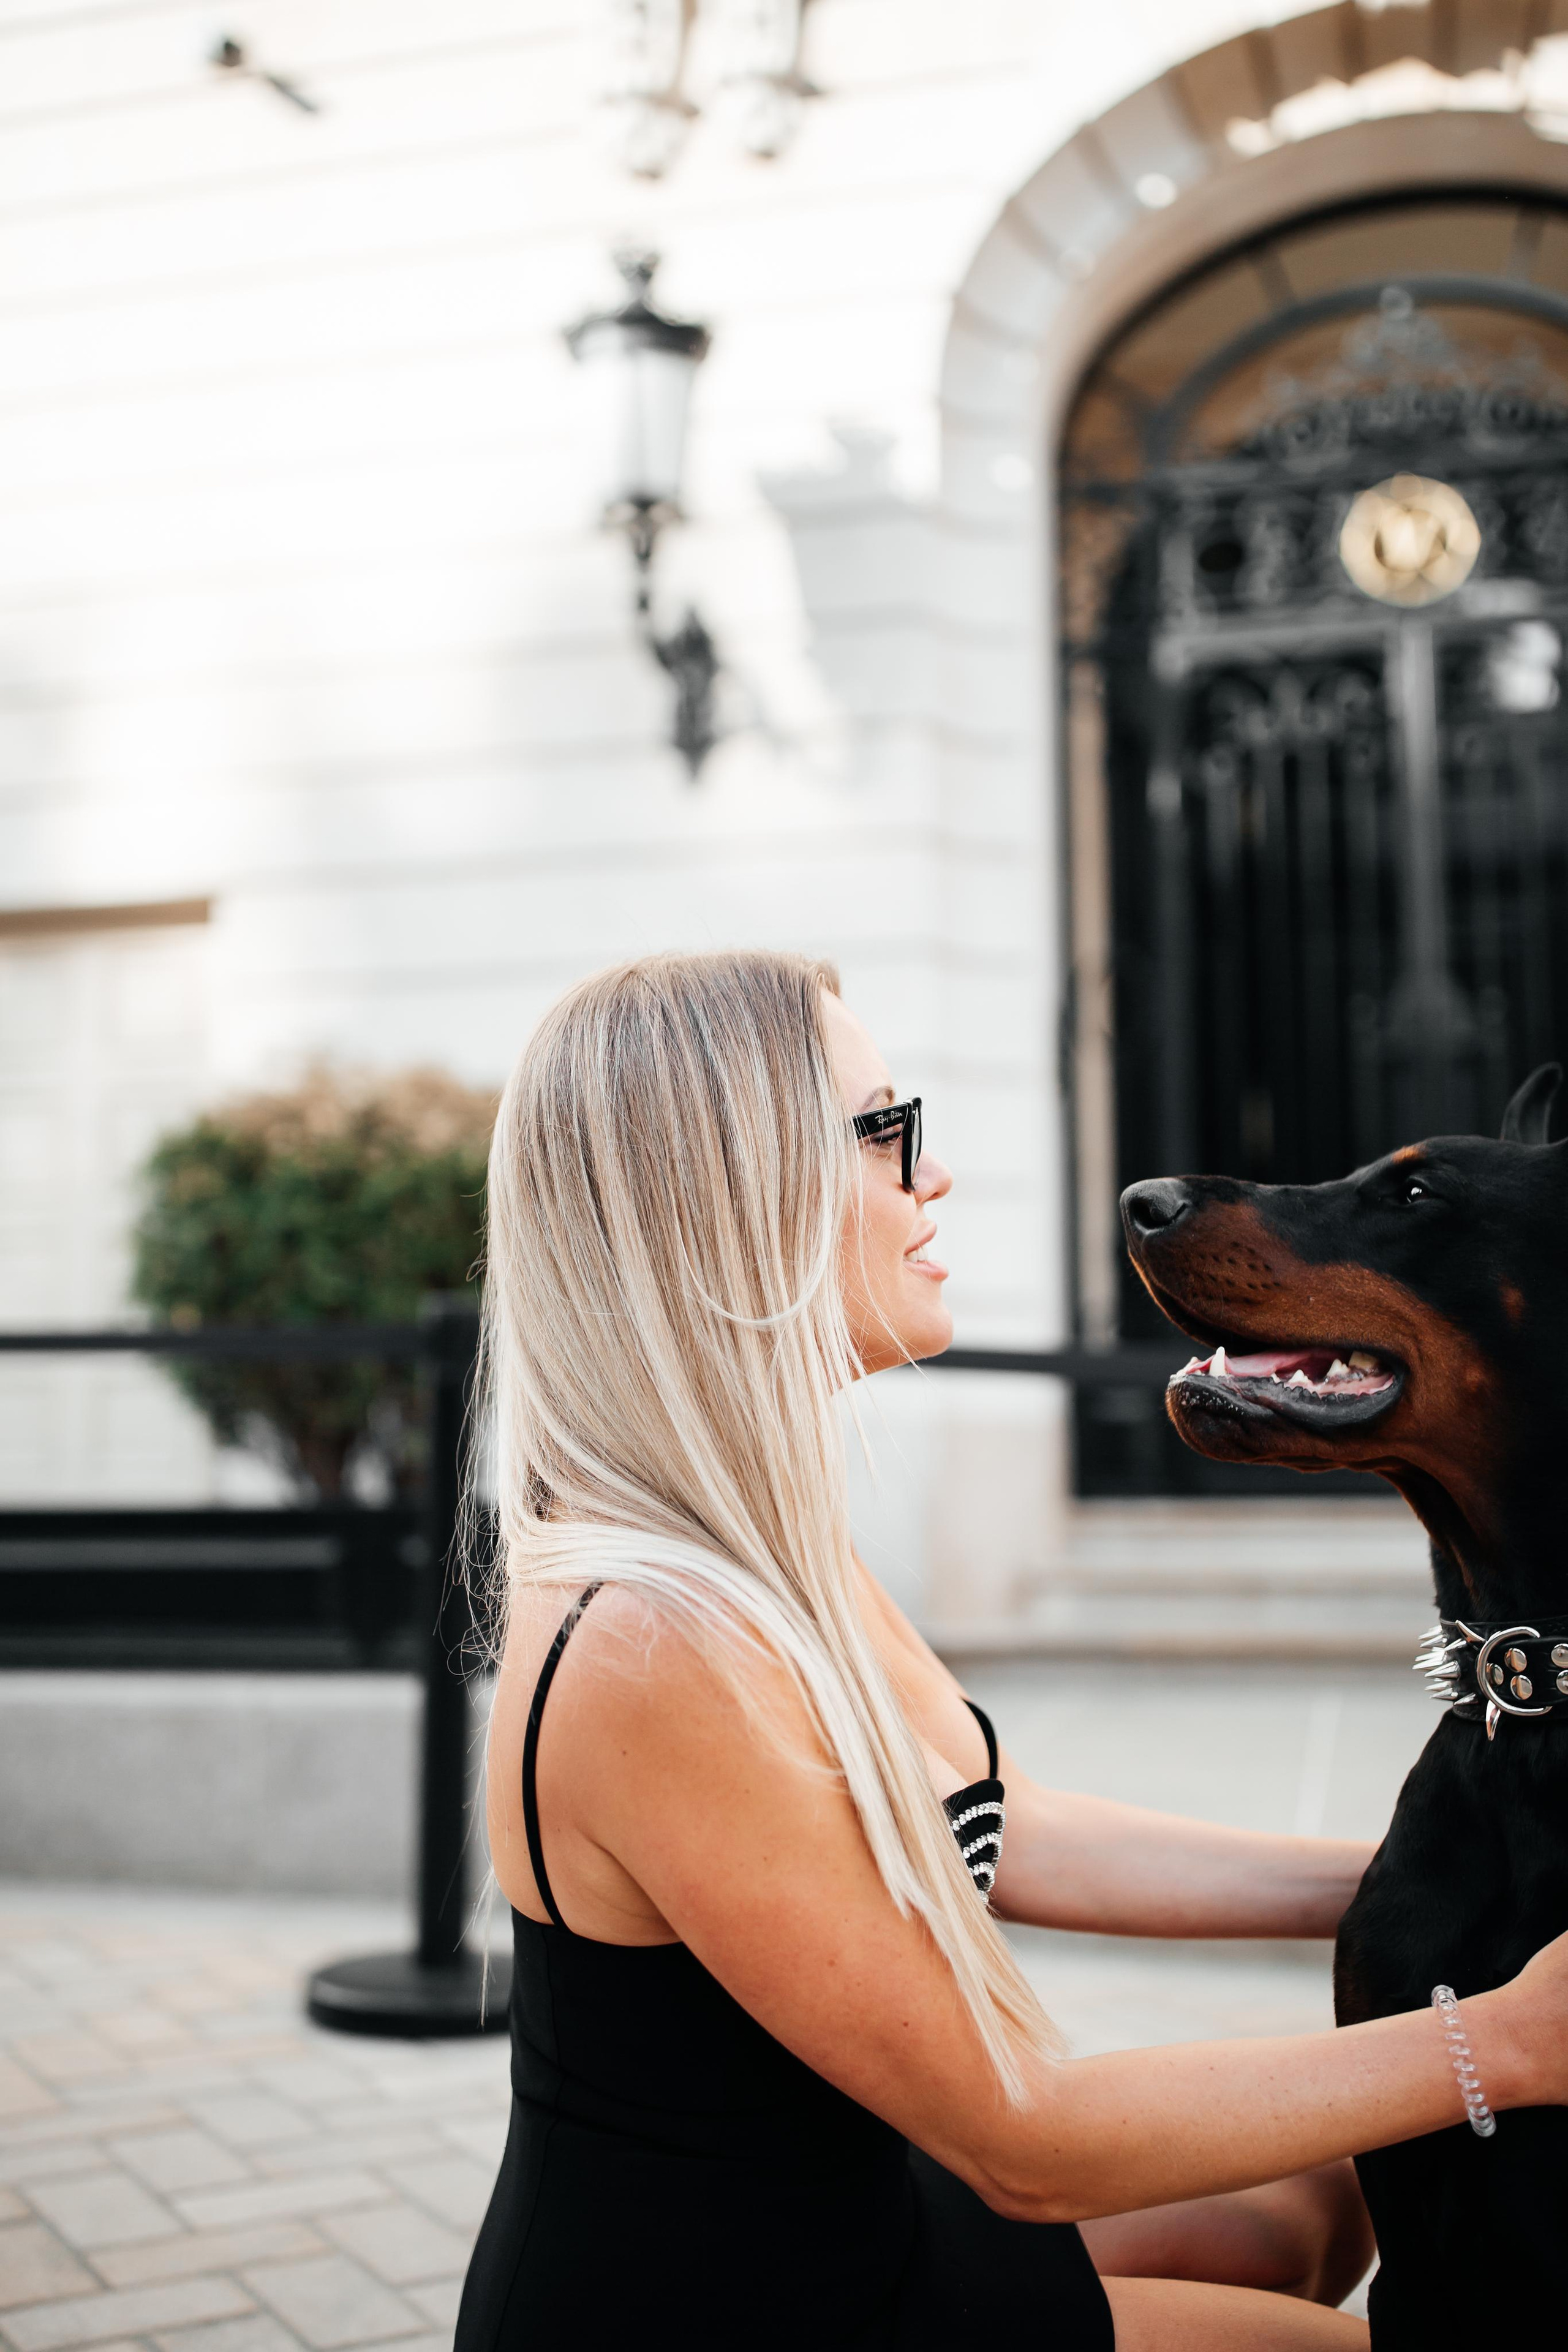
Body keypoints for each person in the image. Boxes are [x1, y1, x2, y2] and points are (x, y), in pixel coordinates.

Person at [454, 950, 1568, 2351]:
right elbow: (1027, 2141)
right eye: (882, 1133)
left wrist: (1438, 1895)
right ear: (726, 1193)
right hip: (754, 2315)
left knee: (1305, 2208)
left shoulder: (751, 1544)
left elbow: (1014, 1828)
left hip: (860, 2221)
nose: (932, 1178)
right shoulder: (656, 1643)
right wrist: (1512, 2040)